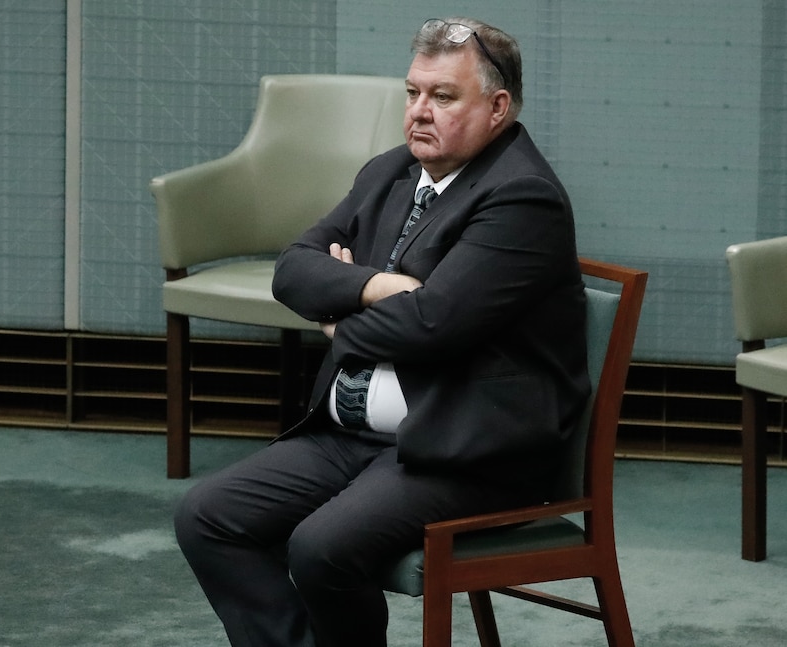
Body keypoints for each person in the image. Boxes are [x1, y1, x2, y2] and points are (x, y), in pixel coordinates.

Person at [174, 17, 589, 647]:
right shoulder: (390, 171)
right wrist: (376, 287)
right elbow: (292, 269)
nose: (420, 112)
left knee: (322, 549)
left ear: (498, 106)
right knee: (209, 518)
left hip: (461, 445)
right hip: (355, 434)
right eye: (412, 92)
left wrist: (339, 310)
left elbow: (433, 325)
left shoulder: (523, 197)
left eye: (443, 97)